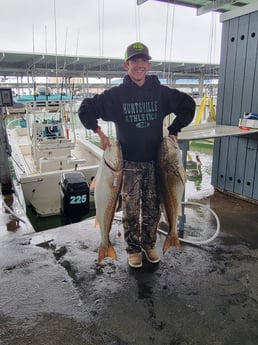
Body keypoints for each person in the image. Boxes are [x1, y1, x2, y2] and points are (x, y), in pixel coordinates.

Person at [78, 42, 195, 268]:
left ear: (148, 64)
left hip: (156, 162)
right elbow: (86, 108)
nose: (139, 65)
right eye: (135, 61)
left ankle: (149, 244)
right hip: (127, 163)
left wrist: (174, 130)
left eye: (143, 61)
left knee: (153, 208)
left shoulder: (160, 92)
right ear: (126, 65)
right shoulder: (117, 95)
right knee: (131, 210)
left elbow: (188, 105)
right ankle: (132, 248)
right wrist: (99, 132)